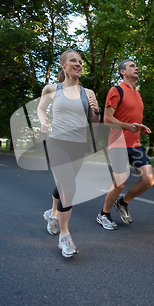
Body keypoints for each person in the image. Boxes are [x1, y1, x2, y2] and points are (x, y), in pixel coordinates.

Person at [37, 50, 101, 257]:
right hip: (57, 143)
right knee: (70, 188)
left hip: (78, 145)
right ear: (63, 65)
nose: (78, 64)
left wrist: (96, 110)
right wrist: (43, 120)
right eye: (73, 60)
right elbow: (41, 108)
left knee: (64, 185)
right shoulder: (51, 89)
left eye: (80, 62)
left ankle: (52, 213)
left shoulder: (88, 93)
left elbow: (94, 122)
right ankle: (65, 236)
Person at [96, 59, 154, 230]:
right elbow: (107, 119)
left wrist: (139, 126)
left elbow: (133, 119)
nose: (136, 68)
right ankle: (103, 214)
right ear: (122, 72)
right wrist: (127, 126)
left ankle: (122, 203)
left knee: (148, 180)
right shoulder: (116, 91)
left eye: (136, 65)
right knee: (120, 183)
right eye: (131, 66)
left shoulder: (137, 94)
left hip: (135, 144)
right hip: (118, 143)